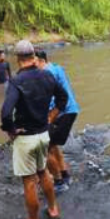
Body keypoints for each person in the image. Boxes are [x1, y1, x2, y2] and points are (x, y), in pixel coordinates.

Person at [1, 40, 68, 219]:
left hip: (26, 137)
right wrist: (51, 116)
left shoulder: (16, 81)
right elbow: (63, 99)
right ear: (33, 56)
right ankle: (54, 209)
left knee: (29, 181)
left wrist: (10, 130)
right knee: (44, 172)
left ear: (18, 58)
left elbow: (5, 113)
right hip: (43, 134)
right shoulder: (47, 74)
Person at [35, 48, 80, 190]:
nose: (32, 64)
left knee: (45, 147)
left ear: (41, 61)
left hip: (64, 112)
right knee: (52, 145)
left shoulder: (48, 72)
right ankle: (64, 174)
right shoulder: (55, 67)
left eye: (34, 61)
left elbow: (53, 98)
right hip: (70, 109)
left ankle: (59, 182)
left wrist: (45, 117)